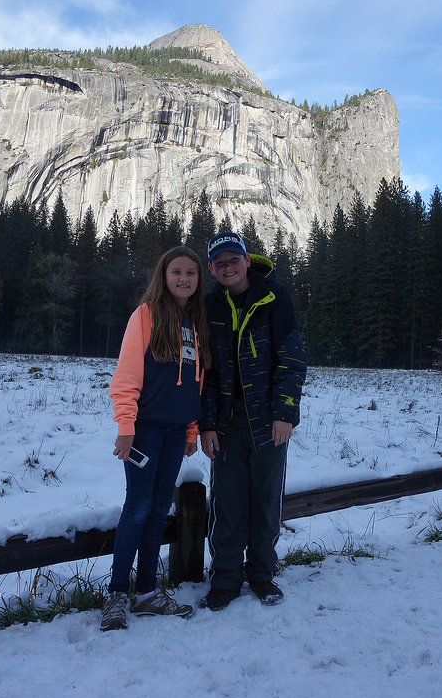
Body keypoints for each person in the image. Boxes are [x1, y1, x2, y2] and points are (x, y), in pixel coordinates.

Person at [101, 246, 212, 631]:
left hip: (175, 432)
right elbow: (127, 376)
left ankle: (147, 593)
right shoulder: (146, 315)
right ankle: (116, 594)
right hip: (145, 430)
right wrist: (126, 426)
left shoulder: (197, 321)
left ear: (200, 280)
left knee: (160, 507)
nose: (184, 279)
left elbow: (196, 383)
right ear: (163, 276)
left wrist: (191, 430)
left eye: (191, 273)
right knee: (138, 507)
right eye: (176, 271)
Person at [199, 231, 307, 612]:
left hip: (268, 421)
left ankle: (261, 574)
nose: (228, 267)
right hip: (227, 423)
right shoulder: (210, 305)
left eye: (234, 259)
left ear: (247, 261)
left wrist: (284, 413)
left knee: (265, 502)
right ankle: (226, 578)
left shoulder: (275, 298)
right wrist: (207, 424)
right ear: (212, 269)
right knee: (227, 502)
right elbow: (207, 373)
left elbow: (292, 359)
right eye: (219, 263)